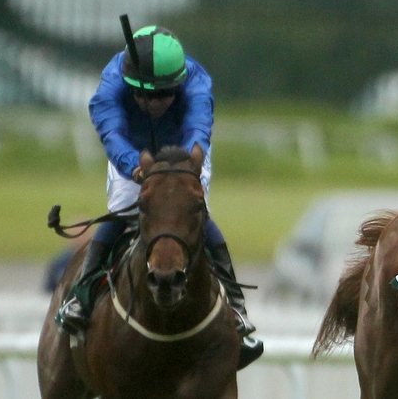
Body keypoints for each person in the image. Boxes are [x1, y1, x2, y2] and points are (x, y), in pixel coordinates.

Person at [56, 24, 263, 365]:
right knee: (124, 210)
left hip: (183, 150)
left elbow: (198, 126)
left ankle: (236, 306)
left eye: (163, 95)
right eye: (142, 96)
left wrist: (188, 163)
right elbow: (112, 132)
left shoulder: (196, 81)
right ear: (129, 85)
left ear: (178, 84)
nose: (153, 103)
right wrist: (137, 169)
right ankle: (82, 296)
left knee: (192, 211)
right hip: (132, 152)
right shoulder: (111, 84)